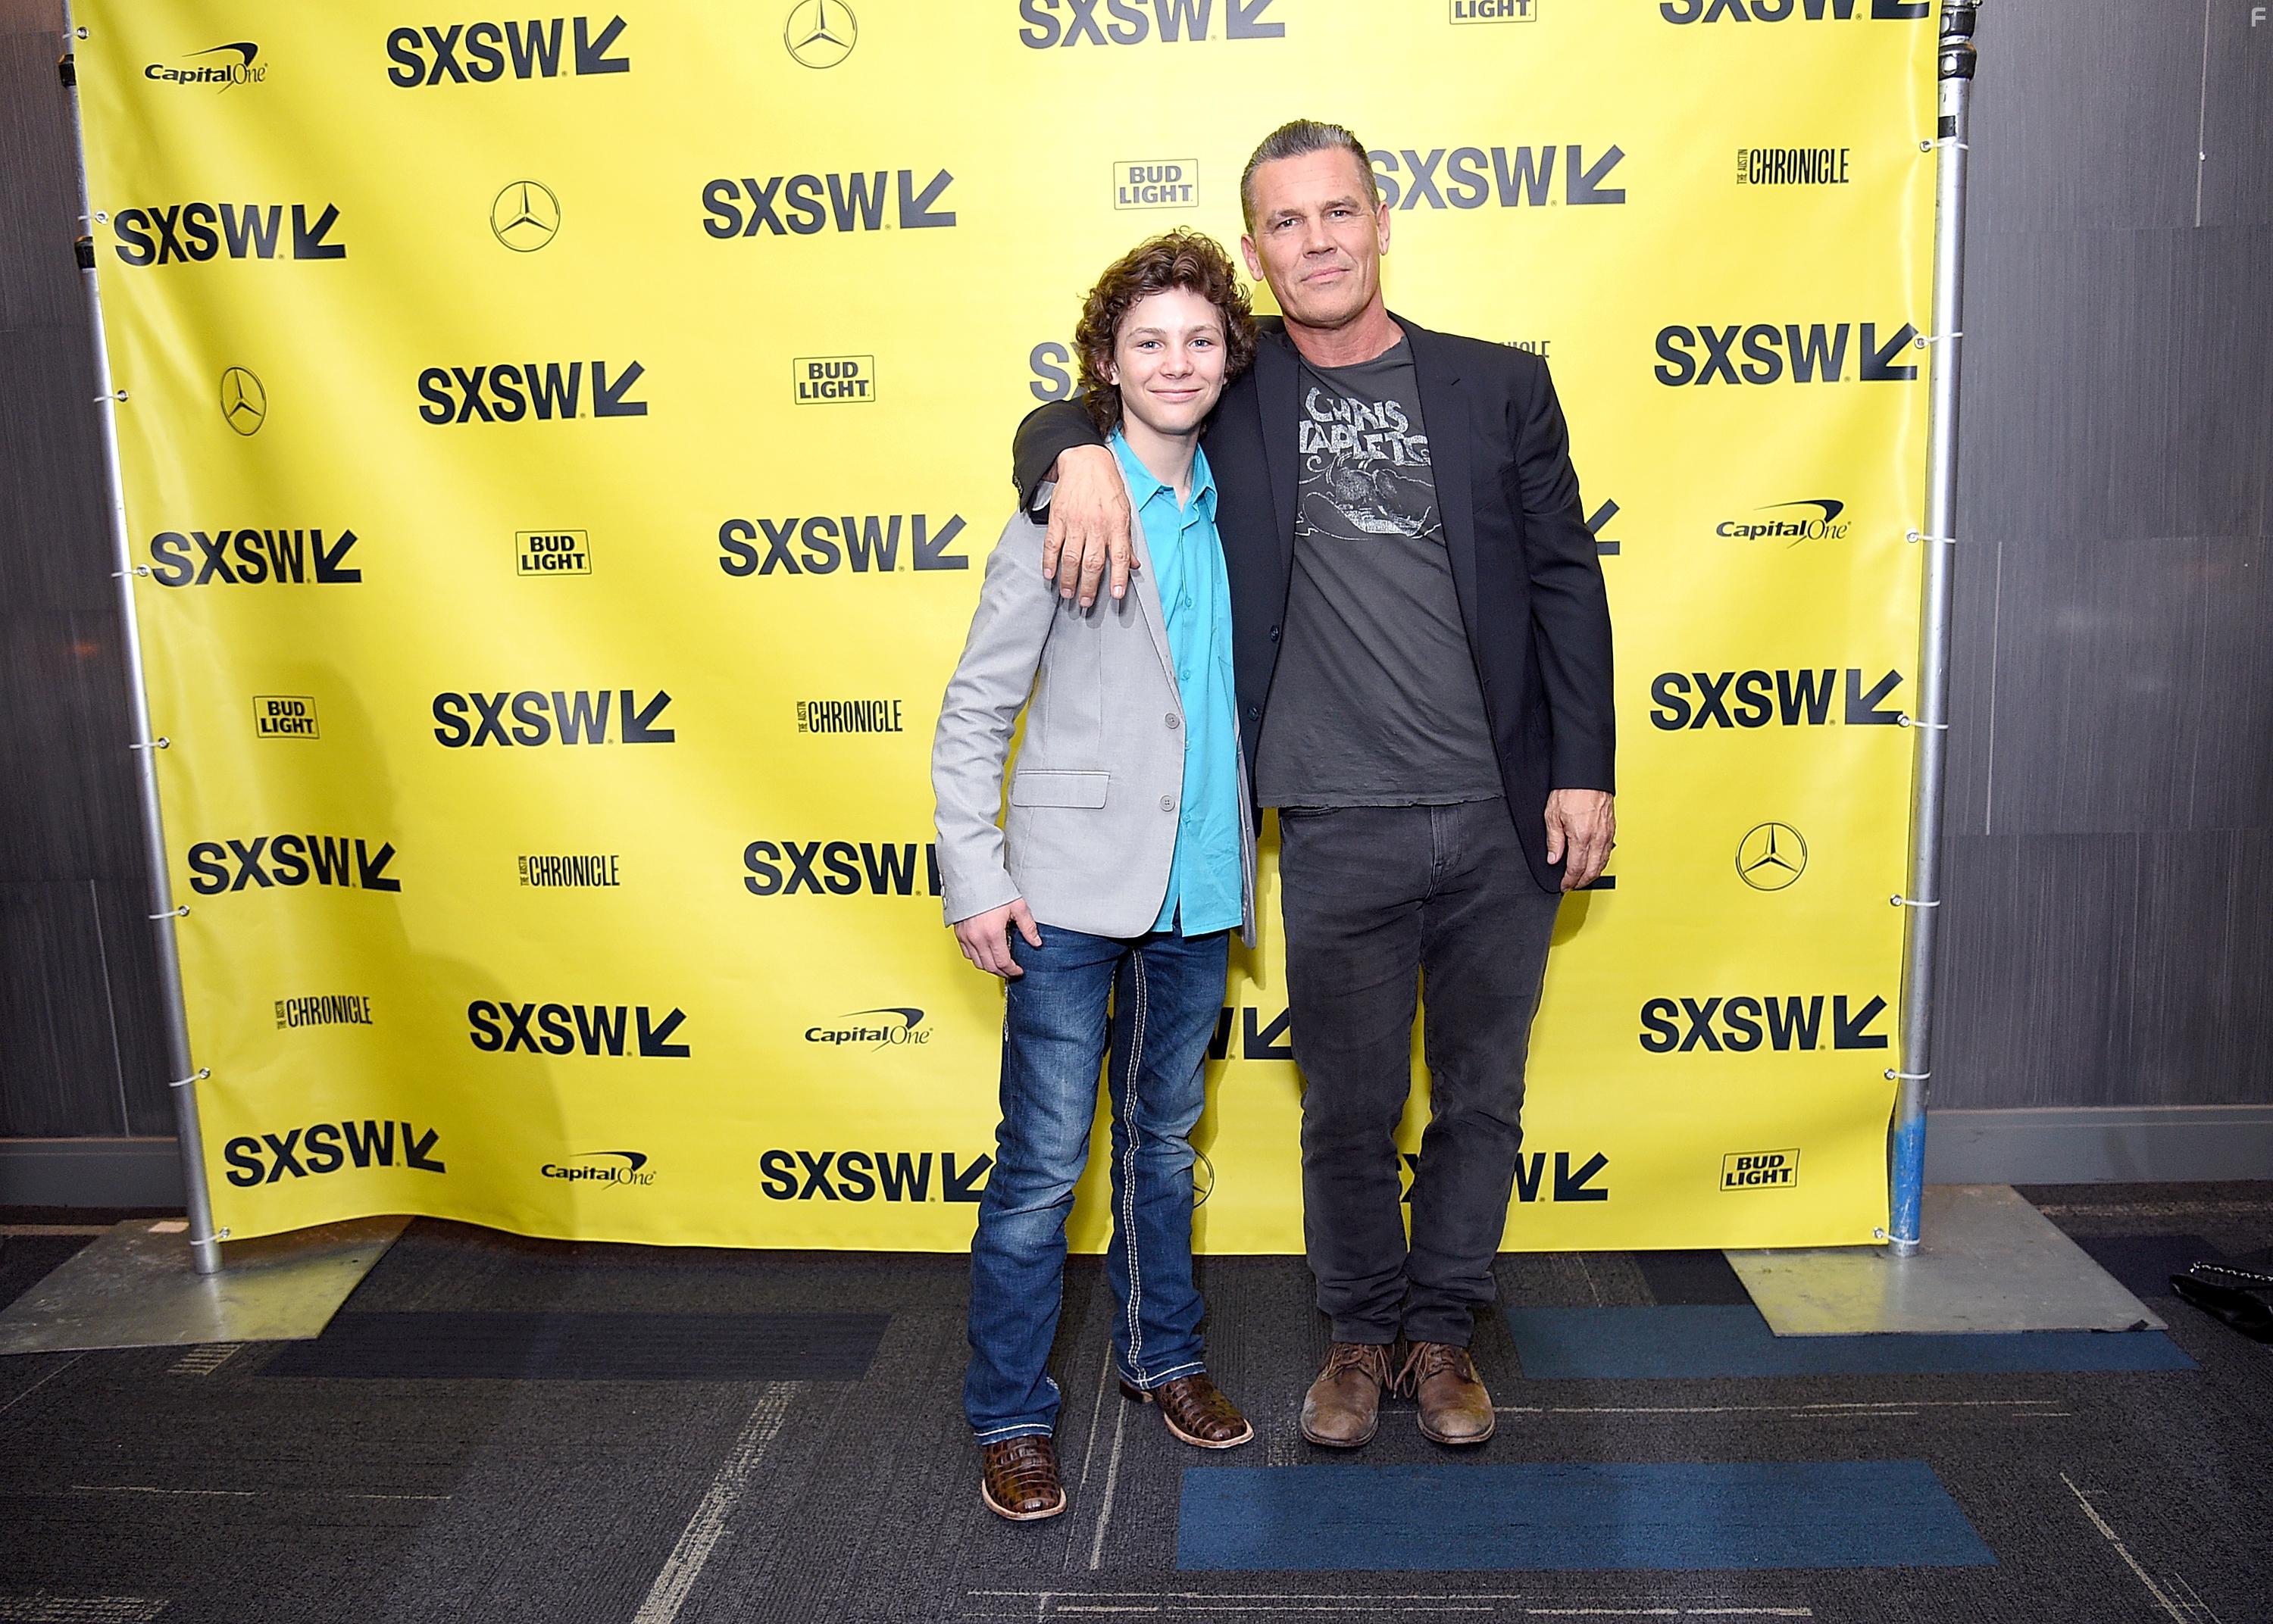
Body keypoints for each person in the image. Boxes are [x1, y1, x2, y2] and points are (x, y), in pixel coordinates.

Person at [1011, 120, 1616, 1451]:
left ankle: (1443, 1334)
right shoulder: (1238, 385)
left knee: (1480, 1096)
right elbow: (1085, 397)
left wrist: (1585, 772)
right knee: (1345, 1101)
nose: (1319, 241)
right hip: (1336, 819)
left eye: (1339, 212)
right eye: (1287, 224)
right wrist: (1069, 453)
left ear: (1383, 221)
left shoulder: (1499, 388)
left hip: (1502, 817)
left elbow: (1570, 578)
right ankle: (1355, 1336)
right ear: (1255, 254)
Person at [934, 230, 1261, 1523]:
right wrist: (974, 872)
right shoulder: (1065, 503)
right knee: (1041, 1165)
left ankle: (1160, 1356)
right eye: (1147, 344)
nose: (1176, 363)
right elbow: (974, 710)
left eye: (1199, 339)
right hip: (1067, 889)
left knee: (1166, 1148)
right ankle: (1011, 1414)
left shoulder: (1246, 504)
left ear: (1231, 356)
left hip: (1201, 887)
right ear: (1106, 370)